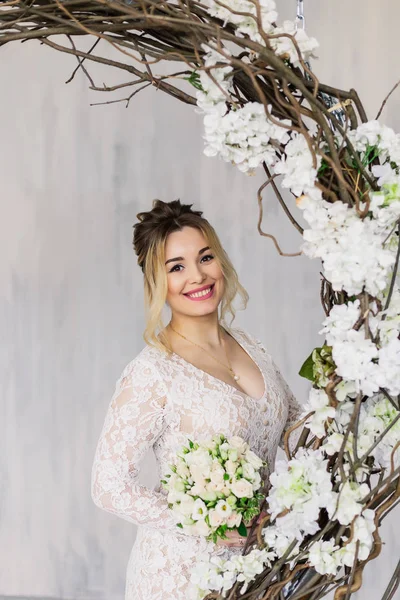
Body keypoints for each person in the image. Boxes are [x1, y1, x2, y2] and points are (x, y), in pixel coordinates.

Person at [90, 199, 303, 600]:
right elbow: (108, 486)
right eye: (176, 267)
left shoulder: (251, 345)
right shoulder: (153, 372)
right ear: (157, 281)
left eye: (206, 257)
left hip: (261, 569)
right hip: (182, 578)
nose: (198, 275)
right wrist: (209, 522)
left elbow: (297, 428)